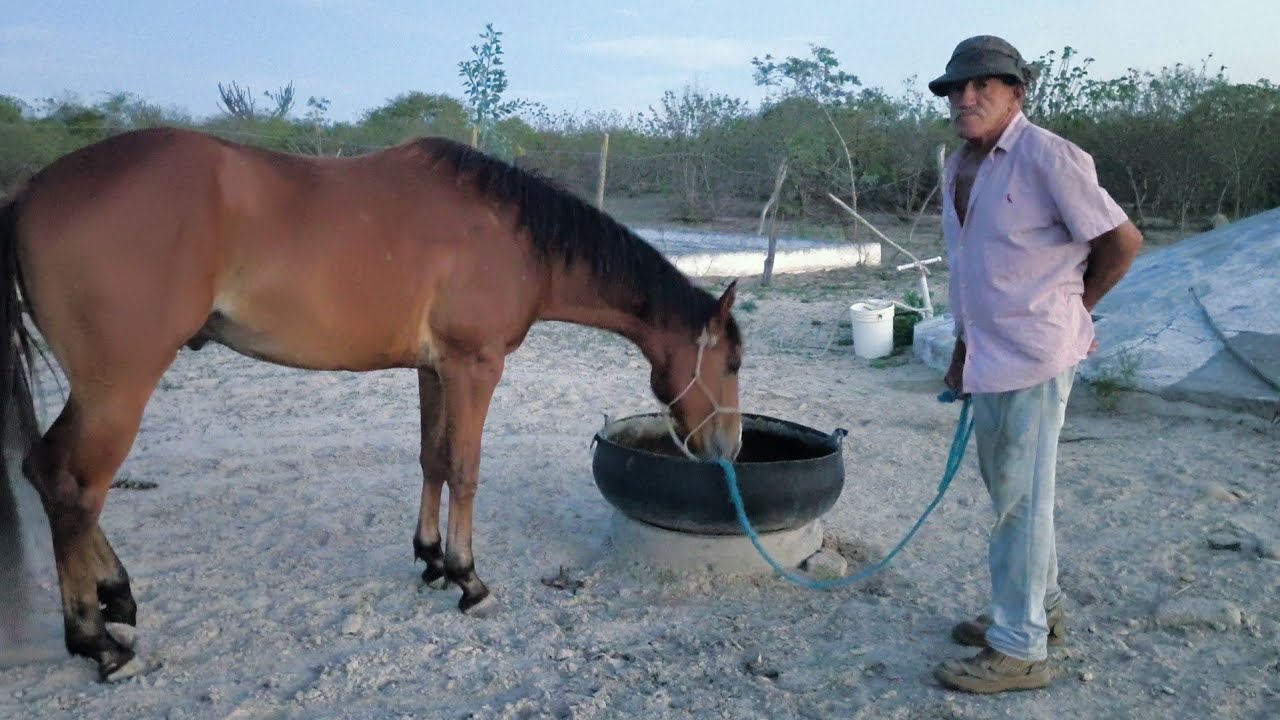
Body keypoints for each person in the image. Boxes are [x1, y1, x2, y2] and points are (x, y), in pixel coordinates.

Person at [927, 35, 1144, 693]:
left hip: (1036, 354)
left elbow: (1121, 241)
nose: (967, 97)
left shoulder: (1050, 157)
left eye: (982, 85)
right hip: (991, 355)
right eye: (956, 88)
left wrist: (1073, 309)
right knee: (1015, 495)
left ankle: (1019, 648)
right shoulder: (959, 165)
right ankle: (1037, 612)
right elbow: (970, 269)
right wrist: (964, 348)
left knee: (1019, 503)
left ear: (1016, 92)